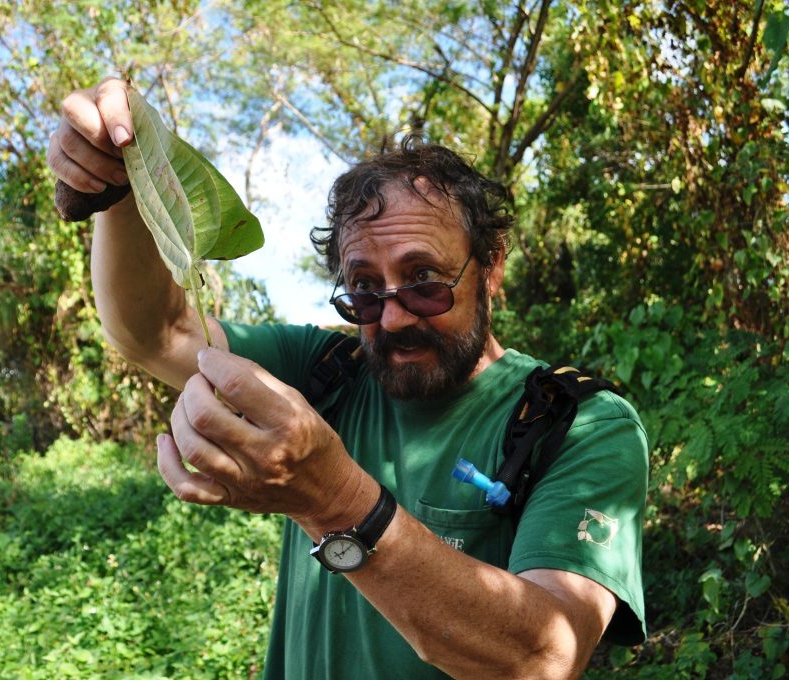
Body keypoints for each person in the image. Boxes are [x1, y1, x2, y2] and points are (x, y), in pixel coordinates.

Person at [47, 77, 649, 680]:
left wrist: (332, 499)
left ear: (490, 269)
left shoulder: (577, 426)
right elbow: (156, 333)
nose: (392, 316)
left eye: (425, 280)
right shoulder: (326, 373)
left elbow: (543, 658)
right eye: (363, 289)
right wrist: (122, 182)